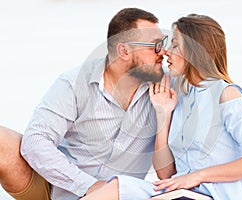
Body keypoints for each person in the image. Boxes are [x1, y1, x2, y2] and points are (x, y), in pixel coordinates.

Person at [81, 14, 242, 200]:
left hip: (216, 195)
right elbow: (165, 174)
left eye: (174, 45)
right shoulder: (177, 93)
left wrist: (196, 176)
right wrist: (162, 114)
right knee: (116, 187)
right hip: (180, 191)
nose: (166, 52)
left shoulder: (227, 95)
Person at [0, 7, 168, 200]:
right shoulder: (74, 83)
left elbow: (203, 82)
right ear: (124, 51)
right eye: (154, 45)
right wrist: (88, 186)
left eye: (163, 43)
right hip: (58, 189)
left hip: (119, 196)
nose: (162, 52)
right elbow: (35, 141)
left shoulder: (165, 88)